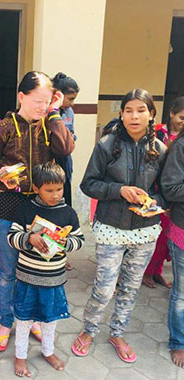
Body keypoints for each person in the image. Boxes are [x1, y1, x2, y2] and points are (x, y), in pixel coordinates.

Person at [71, 89, 166, 363]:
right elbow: (88, 184)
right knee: (103, 287)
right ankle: (89, 330)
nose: (134, 116)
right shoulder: (107, 145)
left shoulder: (159, 150)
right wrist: (119, 190)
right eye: (129, 110)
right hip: (111, 227)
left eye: (141, 110)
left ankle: (117, 332)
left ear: (151, 114)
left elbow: (166, 191)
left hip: (145, 231)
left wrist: (153, 200)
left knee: (130, 287)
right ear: (122, 114)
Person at [0, 71, 75, 351]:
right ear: (21, 97)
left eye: (47, 101)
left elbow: (66, 147)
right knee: (9, 272)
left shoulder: (50, 124)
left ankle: (31, 319)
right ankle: (4, 322)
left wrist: (55, 113)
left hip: (42, 210)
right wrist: (0, 173)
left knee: (36, 271)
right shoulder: (3, 128)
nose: (42, 107)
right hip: (8, 207)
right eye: (38, 101)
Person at [7, 162, 84, 377]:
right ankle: (20, 356)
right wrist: (29, 238)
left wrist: (64, 243)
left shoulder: (68, 213)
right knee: (24, 320)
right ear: (37, 187)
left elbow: (79, 240)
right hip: (28, 277)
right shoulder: (26, 209)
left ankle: (48, 351)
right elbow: (11, 237)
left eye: (59, 189)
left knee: (50, 320)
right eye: (49, 190)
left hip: (54, 279)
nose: (55, 195)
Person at [142, 97, 184, 288]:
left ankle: (157, 271)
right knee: (156, 236)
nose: (183, 122)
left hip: (177, 197)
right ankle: (146, 273)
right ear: (171, 114)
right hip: (159, 192)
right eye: (181, 117)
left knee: (167, 238)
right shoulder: (157, 134)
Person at [161, 114, 184, 368]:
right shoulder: (181, 146)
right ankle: (179, 342)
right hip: (183, 229)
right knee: (181, 293)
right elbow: (171, 188)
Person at [51, 72, 80, 207]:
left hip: (65, 159)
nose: (72, 103)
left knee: (65, 192)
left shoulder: (69, 112)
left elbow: (72, 132)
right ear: (58, 95)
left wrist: (71, 137)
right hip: (50, 159)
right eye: (70, 99)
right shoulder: (47, 111)